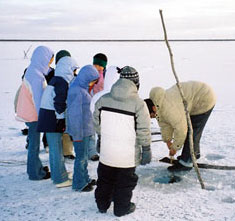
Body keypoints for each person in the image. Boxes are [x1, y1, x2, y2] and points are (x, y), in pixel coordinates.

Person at [93, 66, 152, 217]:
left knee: (105, 179)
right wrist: (146, 149)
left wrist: (101, 138)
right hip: (127, 155)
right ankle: (121, 208)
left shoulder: (103, 99)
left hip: (107, 152)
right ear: (136, 83)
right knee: (124, 183)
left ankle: (102, 204)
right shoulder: (139, 104)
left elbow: (96, 123)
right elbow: (143, 129)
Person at [148, 81, 216, 172]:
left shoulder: (169, 108)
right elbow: (165, 125)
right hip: (193, 99)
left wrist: (175, 148)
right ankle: (194, 153)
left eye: (150, 115)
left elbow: (181, 130)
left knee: (192, 131)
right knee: (190, 130)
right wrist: (168, 141)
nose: (151, 117)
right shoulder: (158, 105)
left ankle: (186, 163)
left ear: (153, 108)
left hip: (204, 98)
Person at [37, 56, 78, 188]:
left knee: (56, 148)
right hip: (51, 118)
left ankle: (59, 174)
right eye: (73, 70)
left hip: (48, 116)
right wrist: (61, 120)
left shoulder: (57, 79)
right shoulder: (61, 82)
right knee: (56, 149)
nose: (74, 73)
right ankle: (60, 179)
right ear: (67, 69)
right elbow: (59, 104)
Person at [15, 45, 54, 180]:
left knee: (33, 143)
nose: (50, 62)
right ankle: (35, 173)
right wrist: (43, 118)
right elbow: (38, 99)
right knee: (34, 145)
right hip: (34, 115)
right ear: (42, 58)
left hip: (30, 113)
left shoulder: (33, 70)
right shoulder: (36, 76)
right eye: (49, 59)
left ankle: (36, 168)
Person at [66, 65, 99, 192]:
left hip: (86, 130)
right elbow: (75, 115)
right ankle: (79, 183)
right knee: (80, 158)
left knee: (84, 157)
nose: (93, 84)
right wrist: (77, 136)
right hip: (80, 132)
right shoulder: (77, 91)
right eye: (92, 81)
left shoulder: (81, 88)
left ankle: (84, 178)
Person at [87, 53, 108, 161]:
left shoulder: (107, 75)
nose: (95, 66)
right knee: (91, 129)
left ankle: (102, 149)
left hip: (103, 105)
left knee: (102, 129)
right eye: (94, 64)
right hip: (91, 104)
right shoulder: (91, 74)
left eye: (98, 65)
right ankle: (91, 152)